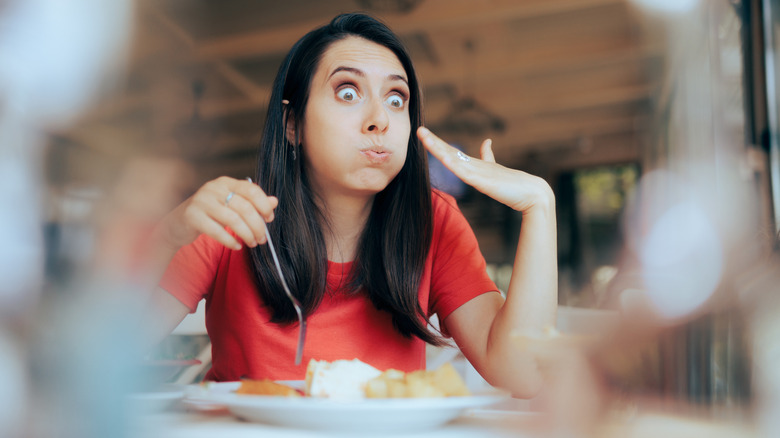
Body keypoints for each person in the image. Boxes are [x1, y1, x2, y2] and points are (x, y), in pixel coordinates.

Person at [145, 12, 557, 398]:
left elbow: (524, 372)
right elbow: (107, 353)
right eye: (348, 91)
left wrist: (540, 205)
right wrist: (167, 236)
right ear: (293, 124)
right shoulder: (233, 217)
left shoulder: (434, 221)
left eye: (397, 99)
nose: (380, 118)